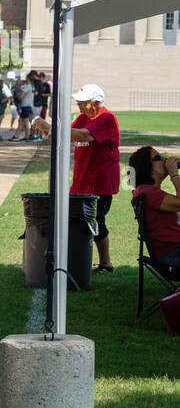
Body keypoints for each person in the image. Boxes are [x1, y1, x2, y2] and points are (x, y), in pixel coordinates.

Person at [33, 83, 120, 272]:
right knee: (73, 220)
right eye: (78, 102)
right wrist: (44, 128)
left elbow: (83, 135)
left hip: (100, 183)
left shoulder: (107, 118)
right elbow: (65, 137)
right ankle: (72, 261)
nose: (79, 106)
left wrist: (49, 126)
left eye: (84, 102)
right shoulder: (83, 117)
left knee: (95, 222)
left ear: (96, 102)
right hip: (82, 181)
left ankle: (105, 264)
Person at [128, 147, 180, 267]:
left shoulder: (146, 191)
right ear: (147, 167)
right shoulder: (148, 192)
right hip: (172, 255)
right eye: (158, 158)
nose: (165, 160)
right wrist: (174, 174)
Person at [12, 72, 35, 141]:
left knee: (25, 121)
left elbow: (21, 96)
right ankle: (17, 135)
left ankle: (27, 135)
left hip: (26, 106)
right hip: (27, 105)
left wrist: (18, 94)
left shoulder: (28, 86)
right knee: (21, 121)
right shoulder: (30, 86)